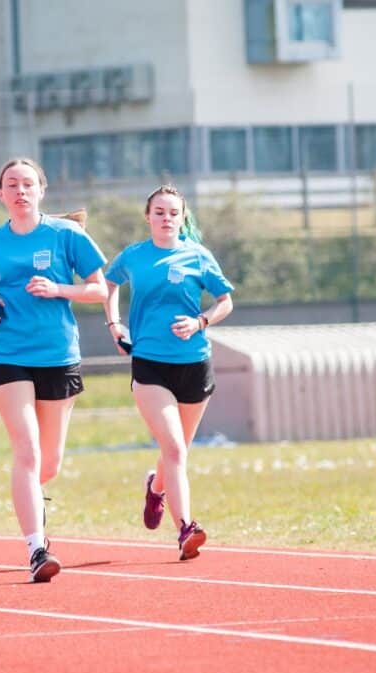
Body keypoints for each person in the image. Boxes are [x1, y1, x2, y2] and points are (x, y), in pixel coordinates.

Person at [0, 158, 108, 582]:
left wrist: (58, 288)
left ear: (41, 189)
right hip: (6, 352)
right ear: (0, 194)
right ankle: (36, 549)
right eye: (12, 184)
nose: (20, 190)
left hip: (58, 353)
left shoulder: (67, 235)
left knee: (49, 464)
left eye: (28, 183)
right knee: (26, 451)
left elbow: (100, 288)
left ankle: (32, 502)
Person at [102, 185, 234, 560]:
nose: (166, 218)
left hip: (194, 364)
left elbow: (225, 301)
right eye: (159, 212)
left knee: (177, 451)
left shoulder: (198, 256)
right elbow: (109, 284)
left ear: (182, 217)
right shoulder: (134, 256)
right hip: (150, 363)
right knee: (174, 448)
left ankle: (155, 488)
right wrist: (114, 325)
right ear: (148, 217)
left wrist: (200, 321)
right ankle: (186, 528)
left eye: (173, 213)